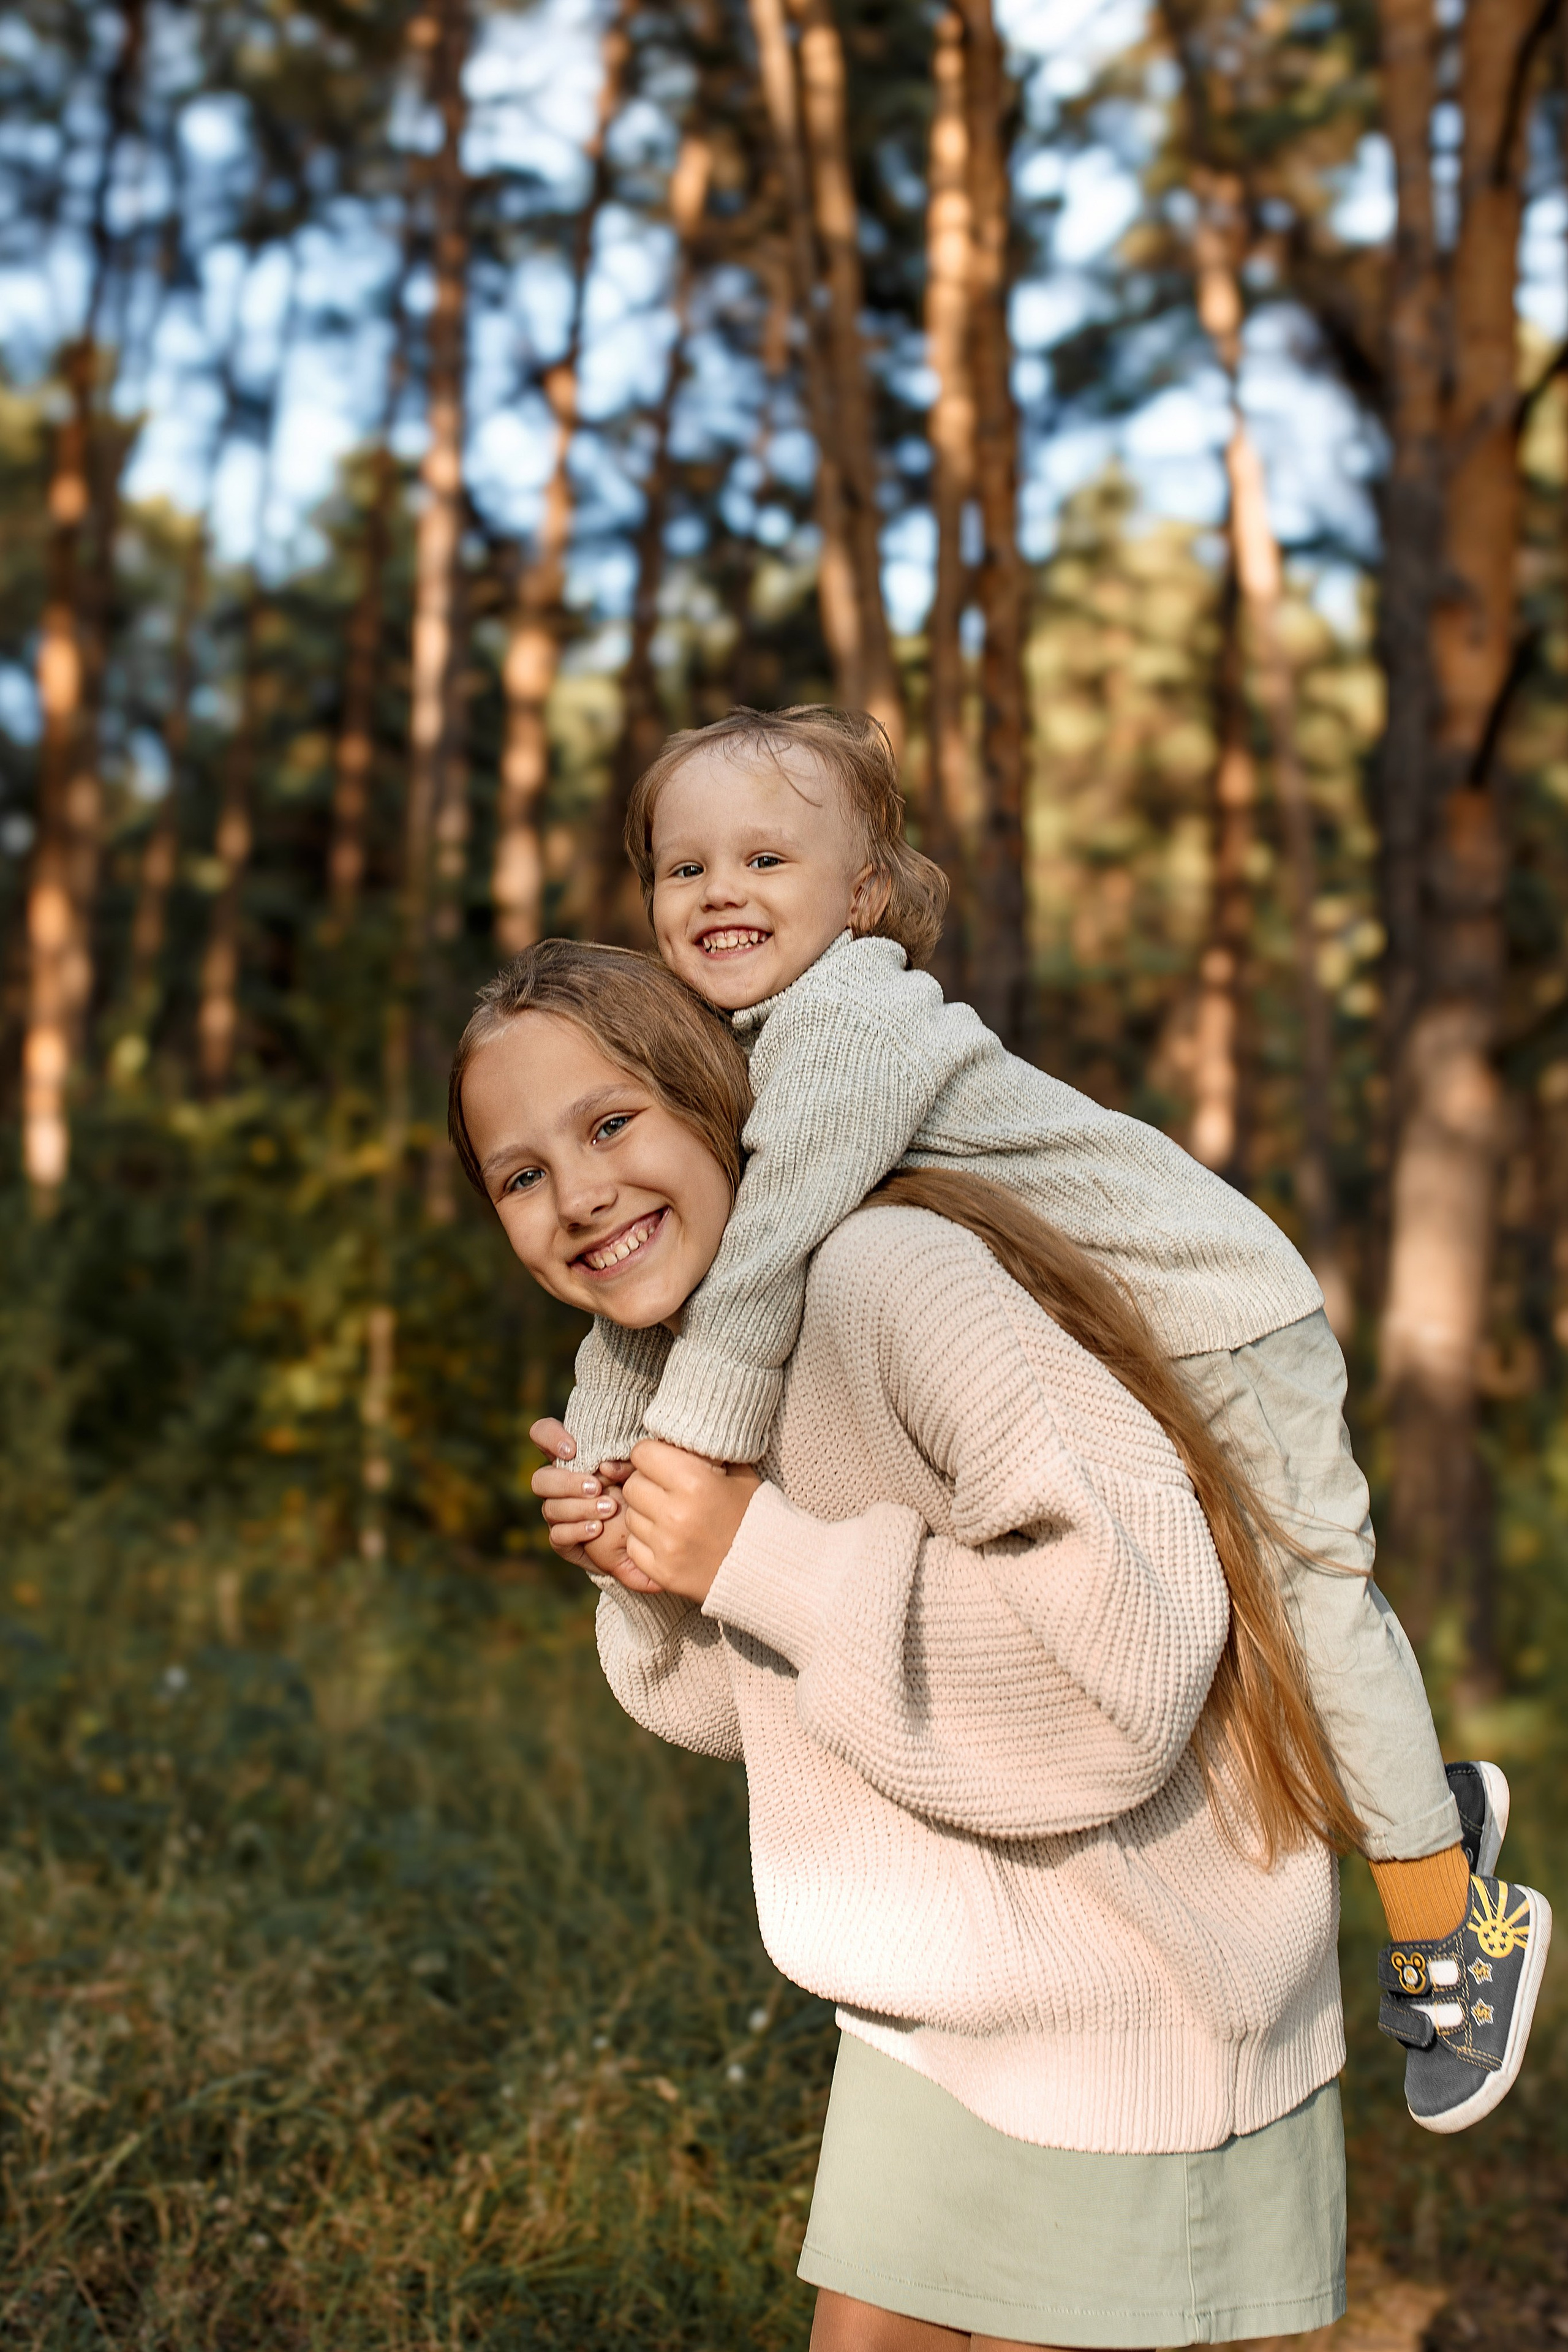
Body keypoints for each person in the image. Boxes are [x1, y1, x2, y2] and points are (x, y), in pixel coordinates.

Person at [448, 943, 1551, 2351]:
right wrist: (658, 1571)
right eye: (519, 1175)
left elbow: (1129, 1664)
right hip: (934, 2015)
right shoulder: (694, 1370)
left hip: (1132, 2003)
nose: (579, 1194)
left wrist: (751, 1551)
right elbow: (766, 1712)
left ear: (719, 1103)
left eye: (610, 1125)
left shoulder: (891, 1278)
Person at [526, 705, 1548, 2137]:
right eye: (682, 868)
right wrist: (605, 1452)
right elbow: (664, 1274)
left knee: (1310, 1604)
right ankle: (1411, 1800)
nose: (719, 895)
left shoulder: (850, 1021)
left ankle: (1452, 1918)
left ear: (864, 894)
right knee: (1221, 1616)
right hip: (1114, 1332)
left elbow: (749, 1268)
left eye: (764, 856)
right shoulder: (752, 1049)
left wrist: (677, 1470)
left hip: (1217, 1313)